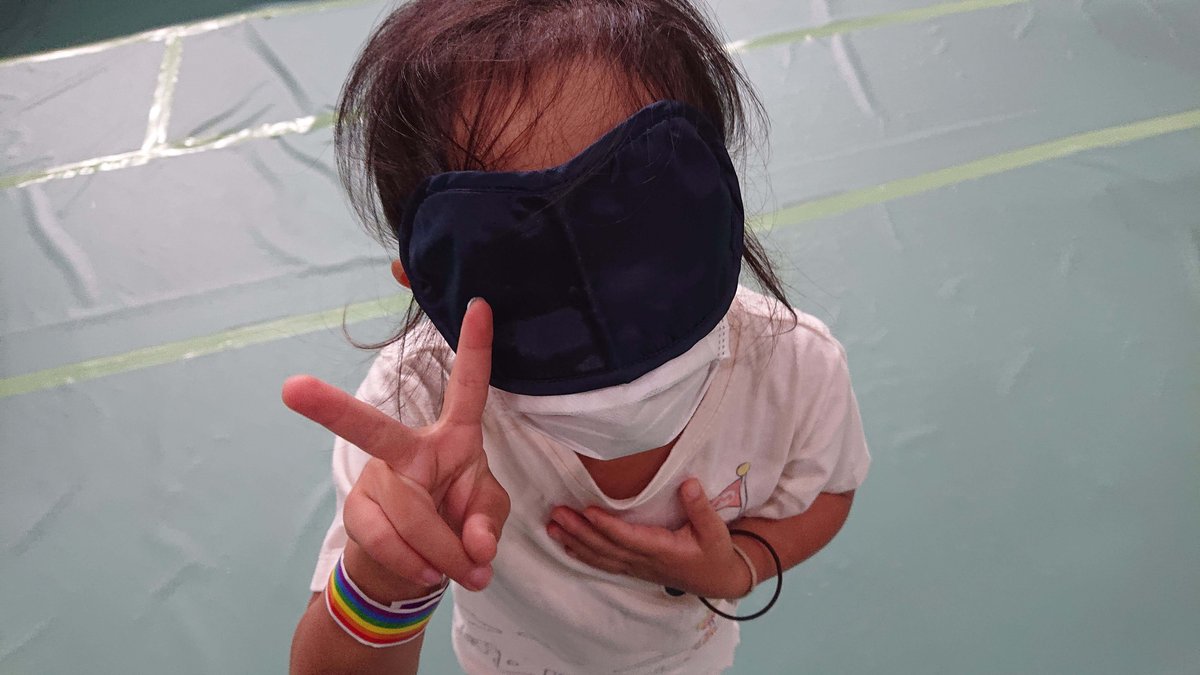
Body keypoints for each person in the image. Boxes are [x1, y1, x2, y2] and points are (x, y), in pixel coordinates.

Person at [283, 1, 871, 673]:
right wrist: (386, 578)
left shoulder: (791, 366)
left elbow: (828, 489)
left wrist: (736, 566)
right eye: (518, 261)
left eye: (639, 227)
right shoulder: (413, 415)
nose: (598, 308)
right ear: (424, 282)